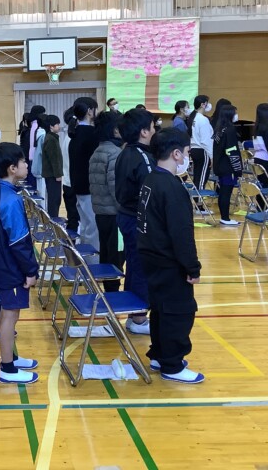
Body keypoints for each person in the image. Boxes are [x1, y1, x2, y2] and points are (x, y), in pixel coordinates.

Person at [137, 127, 204, 384]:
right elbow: (181, 233)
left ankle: (160, 354)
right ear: (176, 154)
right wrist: (192, 267)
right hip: (169, 261)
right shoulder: (172, 188)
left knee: (160, 310)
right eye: (186, 152)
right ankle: (172, 364)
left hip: (151, 256)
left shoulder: (151, 179)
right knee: (179, 311)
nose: (187, 157)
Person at [0, 142, 40, 385]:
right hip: (11, 267)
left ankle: (10, 357)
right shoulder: (11, 200)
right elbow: (19, 241)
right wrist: (30, 270)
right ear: (12, 168)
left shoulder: (0, 190)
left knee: (6, 312)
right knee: (10, 314)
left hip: (0, 263)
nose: (27, 164)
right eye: (23, 161)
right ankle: (7, 368)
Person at [115, 109, 156, 335]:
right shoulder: (142, 157)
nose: (155, 131)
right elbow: (151, 193)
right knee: (141, 267)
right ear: (143, 132)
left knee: (134, 265)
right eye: (152, 127)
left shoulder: (126, 152)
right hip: (137, 219)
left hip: (127, 216)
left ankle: (134, 313)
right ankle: (139, 318)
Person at [89, 111, 124, 292]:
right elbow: (115, 187)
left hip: (101, 213)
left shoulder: (98, 150)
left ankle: (109, 292)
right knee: (116, 257)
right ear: (115, 130)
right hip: (114, 215)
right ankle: (113, 295)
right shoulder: (115, 153)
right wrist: (125, 210)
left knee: (106, 253)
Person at [69, 97, 100, 251]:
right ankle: (93, 261)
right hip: (89, 186)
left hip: (78, 185)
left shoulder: (75, 134)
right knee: (93, 228)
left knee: (86, 225)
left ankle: (84, 259)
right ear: (89, 111)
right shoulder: (92, 134)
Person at [212, 105, 242, 225]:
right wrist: (238, 169)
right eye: (235, 113)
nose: (236, 115)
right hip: (228, 167)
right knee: (226, 192)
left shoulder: (220, 129)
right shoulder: (230, 130)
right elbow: (232, 151)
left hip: (220, 165)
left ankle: (224, 217)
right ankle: (225, 218)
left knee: (223, 191)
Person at [187, 95, 213, 207]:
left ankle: (197, 202)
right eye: (207, 102)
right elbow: (206, 140)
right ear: (203, 104)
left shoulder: (193, 117)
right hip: (202, 150)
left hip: (194, 150)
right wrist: (212, 156)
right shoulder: (202, 119)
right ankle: (199, 205)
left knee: (197, 177)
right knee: (202, 178)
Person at [61, 107, 80, 234]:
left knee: (73, 218)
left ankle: (71, 243)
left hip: (68, 182)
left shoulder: (67, 138)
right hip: (74, 184)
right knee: (76, 220)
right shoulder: (74, 139)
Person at [40, 114, 63, 217]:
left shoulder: (52, 138)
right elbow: (54, 159)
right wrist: (58, 174)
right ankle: (53, 220)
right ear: (51, 126)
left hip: (52, 174)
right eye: (57, 124)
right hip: (52, 175)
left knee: (55, 199)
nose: (59, 126)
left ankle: (53, 218)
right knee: (54, 199)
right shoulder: (51, 139)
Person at [25, 105, 45, 191]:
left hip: (31, 155)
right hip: (35, 155)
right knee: (36, 182)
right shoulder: (37, 126)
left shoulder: (32, 124)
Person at [30, 114, 47, 206]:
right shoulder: (43, 135)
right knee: (43, 195)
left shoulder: (38, 132)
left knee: (40, 192)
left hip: (38, 167)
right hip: (42, 168)